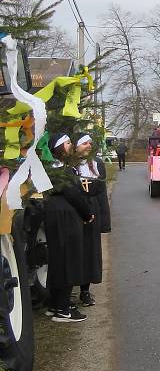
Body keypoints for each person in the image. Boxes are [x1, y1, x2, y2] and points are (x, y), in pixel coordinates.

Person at [43, 133, 94, 322]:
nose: (71, 145)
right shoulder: (61, 170)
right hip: (64, 215)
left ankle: (56, 303)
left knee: (58, 259)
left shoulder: (55, 168)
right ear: (59, 148)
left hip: (56, 214)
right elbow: (73, 194)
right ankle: (63, 309)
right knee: (68, 259)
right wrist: (87, 213)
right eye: (68, 143)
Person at [75, 135, 110, 307]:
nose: (89, 145)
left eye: (89, 143)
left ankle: (85, 290)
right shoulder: (68, 165)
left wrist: (104, 220)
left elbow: (102, 192)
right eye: (84, 143)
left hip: (93, 210)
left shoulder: (97, 163)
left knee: (90, 250)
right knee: (75, 250)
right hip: (74, 211)